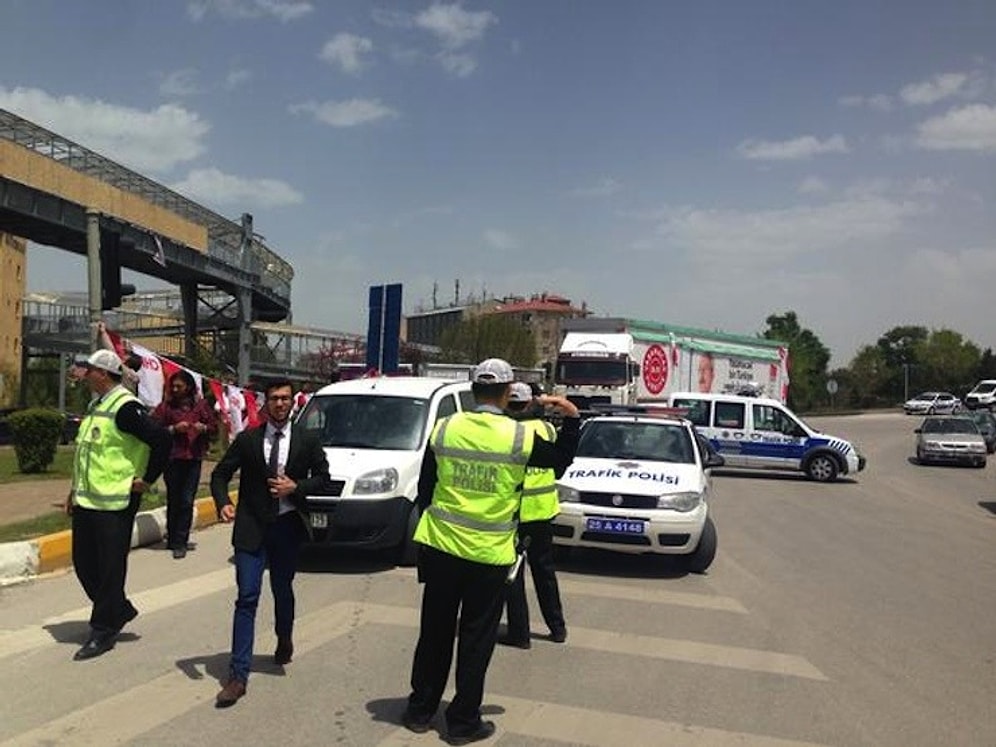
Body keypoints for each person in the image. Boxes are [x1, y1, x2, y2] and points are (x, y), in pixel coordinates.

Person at [402, 358, 581, 744]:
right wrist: (572, 418)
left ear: (472, 390)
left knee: (434, 632)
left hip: (441, 546)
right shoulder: (518, 437)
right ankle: (463, 721)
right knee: (476, 638)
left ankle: (420, 710)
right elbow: (559, 463)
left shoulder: (446, 427)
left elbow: (426, 488)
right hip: (488, 554)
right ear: (506, 392)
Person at [210, 378, 332, 708]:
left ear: (292, 403)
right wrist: (222, 502)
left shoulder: (307, 439)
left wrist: (297, 487)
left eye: (285, 398)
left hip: (287, 527)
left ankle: (284, 637)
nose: (280, 404)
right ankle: (238, 675)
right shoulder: (248, 440)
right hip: (252, 528)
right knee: (247, 597)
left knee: (282, 588)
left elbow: (324, 478)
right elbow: (220, 474)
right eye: (274, 398)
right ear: (266, 403)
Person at [64, 349, 170, 661]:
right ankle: (118, 608)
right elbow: (86, 454)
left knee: (110, 567)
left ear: (104, 373)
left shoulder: (125, 407)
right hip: (87, 499)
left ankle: (103, 630)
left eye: (90, 370)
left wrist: (147, 479)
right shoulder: (96, 405)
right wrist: (73, 491)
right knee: (84, 563)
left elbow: (162, 440)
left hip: (116, 502)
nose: (86, 375)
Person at [498, 382, 567, 649]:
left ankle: (520, 633)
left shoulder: (508, 432)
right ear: (531, 403)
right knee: (545, 572)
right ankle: (557, 627)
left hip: (515, 514)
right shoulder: (547, 429)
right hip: (543, 512)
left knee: (513, 575)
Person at [152, 369, 218, 559]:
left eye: (179, 386)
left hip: (193, 458)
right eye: (173, 386)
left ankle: (181, 540)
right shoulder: (166, 407)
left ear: (188, 387)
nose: (175, 389)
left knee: (187, 500)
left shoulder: (201, 406)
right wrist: (173, 429)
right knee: (174, 499)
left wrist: (202, 428)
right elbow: (154, 428)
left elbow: (214, 427)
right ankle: (172, 537)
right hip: (173, 458)